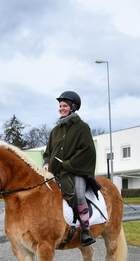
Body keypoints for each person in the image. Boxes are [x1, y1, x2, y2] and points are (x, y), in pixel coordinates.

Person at [42, 91, 97, 246]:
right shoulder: (55, 131)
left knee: (78, 194)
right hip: (56, 173)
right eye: (60, 106)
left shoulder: (82, 127)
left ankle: (86, 230)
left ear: (73, 107)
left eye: (65, 105)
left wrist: (68, 164)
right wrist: (46, 163)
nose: (61, 108)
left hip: (76, 171)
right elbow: (47, 152)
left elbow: (87, 151)